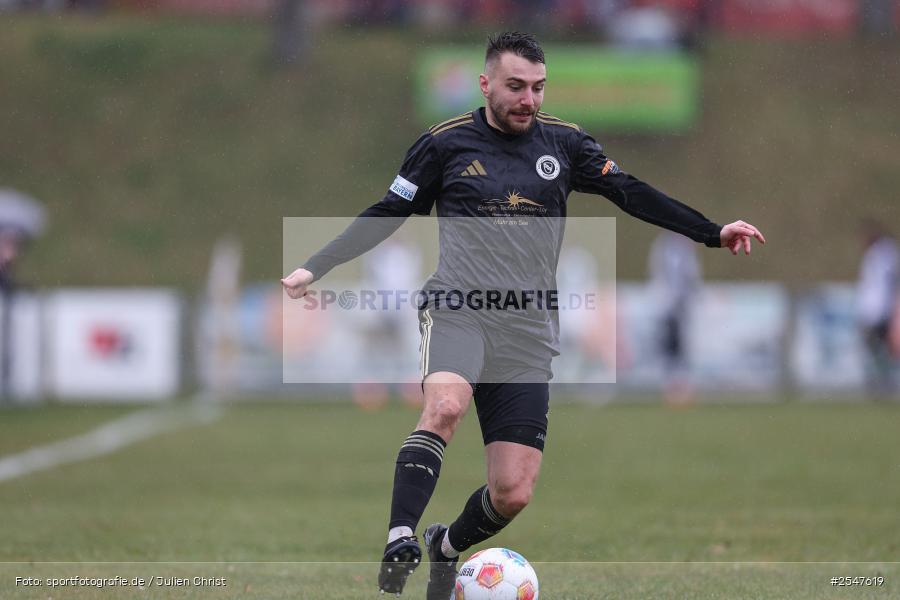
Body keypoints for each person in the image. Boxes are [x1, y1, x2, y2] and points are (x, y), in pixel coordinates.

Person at [281, 32, 765, 599]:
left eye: (537, 87)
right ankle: (399, 539)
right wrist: (317, 266)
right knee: (444, 406)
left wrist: (713, 232)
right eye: (515, 87)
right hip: (459, 307)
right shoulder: (443, 145)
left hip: (528, 328)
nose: (528, 99)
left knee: (512, 491)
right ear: (485, 84)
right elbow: (389, 211)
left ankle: (444, 547)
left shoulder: (565, 144)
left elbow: (630, 192)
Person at [648, 231, 702, 405]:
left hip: (682, 307)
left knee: (682, 349)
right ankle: (672, 391)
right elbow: (659, 274)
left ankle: (682, 390)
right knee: (671, 348)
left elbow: (691, 276)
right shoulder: (664, 247)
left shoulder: (684, 247)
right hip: (667, 307)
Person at [856, 220, 899, 395]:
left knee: (881, 348)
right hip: (873, 310)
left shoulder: (883, 253)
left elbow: (891, 279)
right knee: (877, 349)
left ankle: (883, 384)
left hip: (879, 310)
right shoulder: (879, 254)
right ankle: (881, 383)